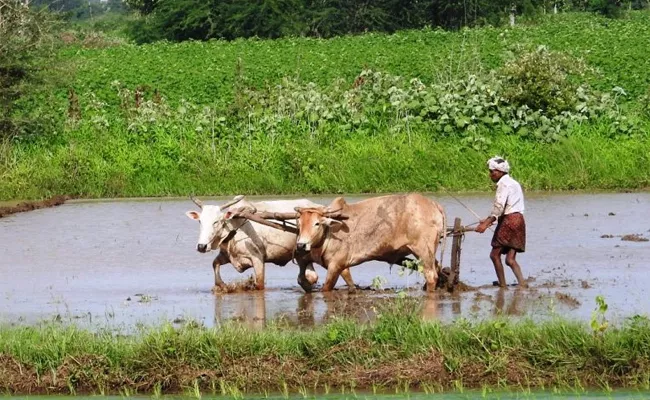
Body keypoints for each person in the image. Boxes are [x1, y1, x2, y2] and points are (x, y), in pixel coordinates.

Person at [475, 156, 528, 288]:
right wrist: (490, 220)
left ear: (500, 172)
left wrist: (486, 224)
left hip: (509, 221)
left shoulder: (503, 185)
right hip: (519, 220)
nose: (490, 175)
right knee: (510, 259)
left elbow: (498, 207)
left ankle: (503, 286)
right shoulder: (514, 183)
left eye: (492, 172)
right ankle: (522, 283)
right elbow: (508, 207)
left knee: (494, 255)